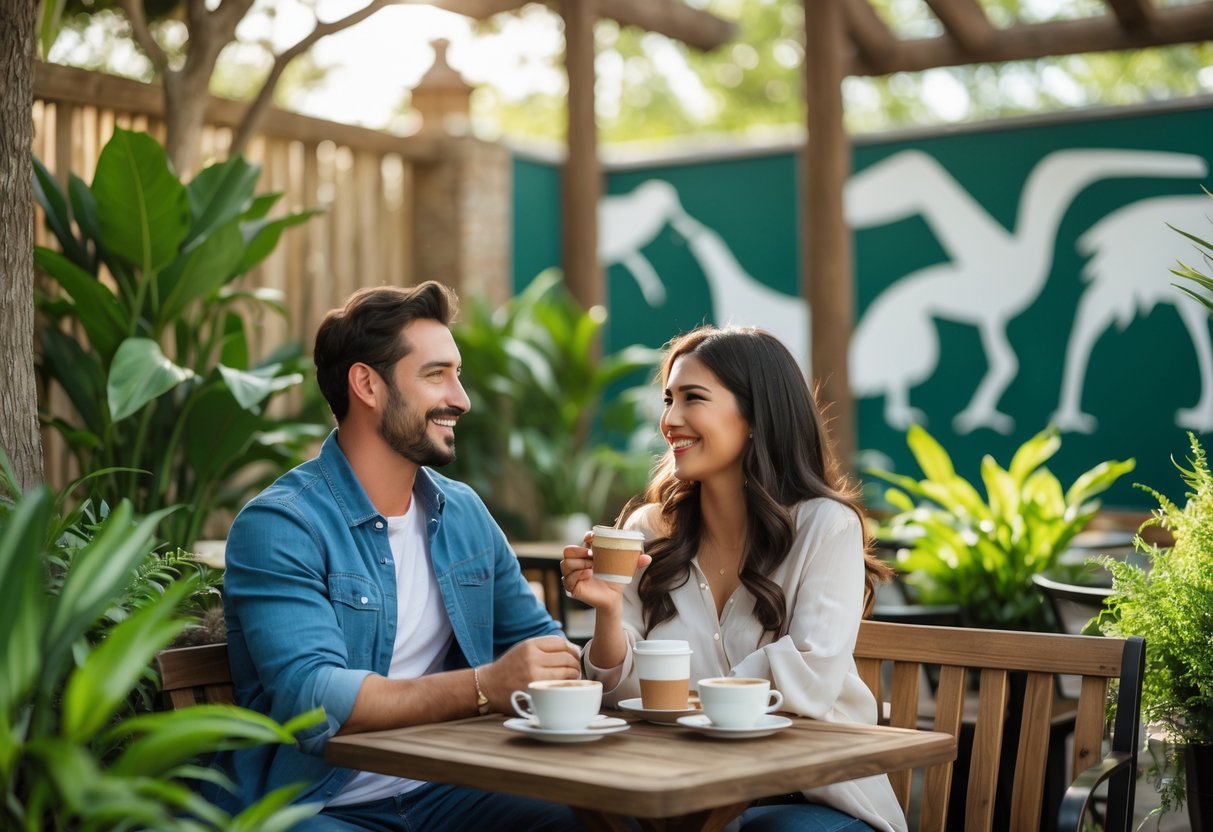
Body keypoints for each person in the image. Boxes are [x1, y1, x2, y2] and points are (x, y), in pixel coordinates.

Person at [215, 281, 586, 831]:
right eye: (436, 374)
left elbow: (540, 647)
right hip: (320, 806)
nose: (460, 398)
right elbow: (314, 698)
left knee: (590, 820)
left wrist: (585, 634)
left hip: (453, 792)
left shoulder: (462, 513)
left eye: (457, 375)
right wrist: (485, 687)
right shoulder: (281, 525)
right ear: (366, 383)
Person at [561, 325, 905, 832]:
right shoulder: (649, 533)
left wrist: (674, 695)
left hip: (812, 796)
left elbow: (806, 680)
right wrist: (609, 610)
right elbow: (619, 693)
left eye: (692, 398)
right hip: (682, 792)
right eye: (668, 399)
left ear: (755, 416)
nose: (669, 420)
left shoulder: (826, 526)